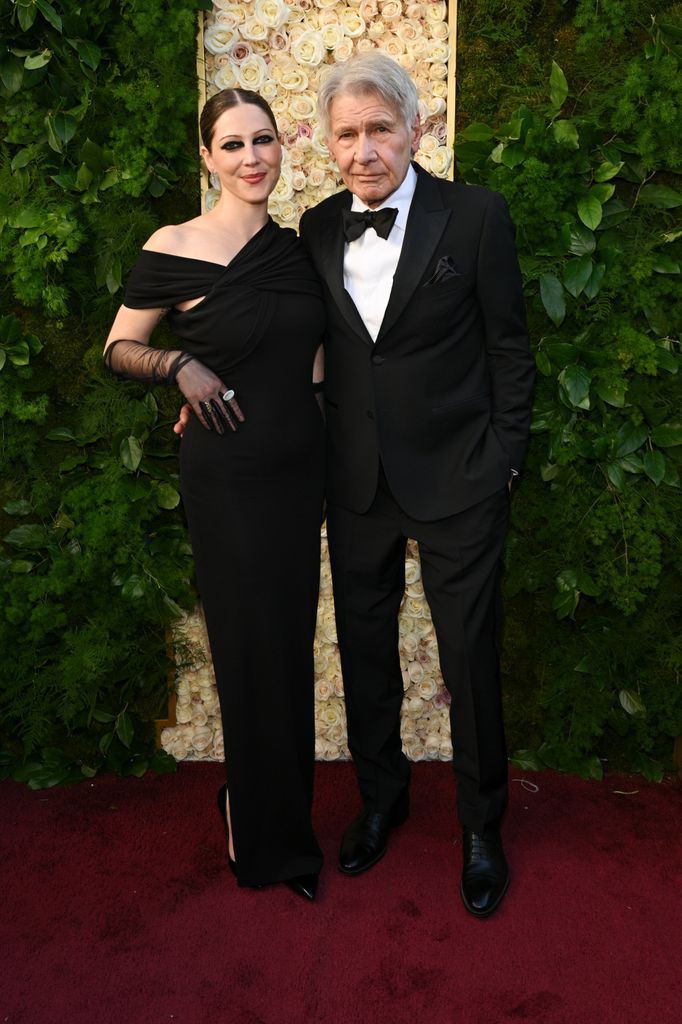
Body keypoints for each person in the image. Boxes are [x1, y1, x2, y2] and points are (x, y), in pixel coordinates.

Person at [298, 52, 536, 917]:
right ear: (328, 144)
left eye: (378, 129)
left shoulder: (475, 216)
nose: (364, 149)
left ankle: (481, 826)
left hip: (461, 480)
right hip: (356, 484)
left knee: (468, 659)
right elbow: (297, 344)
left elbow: (509, 345)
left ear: (414, 131)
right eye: (346, 134)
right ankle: (381, 799)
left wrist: (503, 457)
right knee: (366, 654)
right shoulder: (316, 228)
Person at [104, 89, 326, 901]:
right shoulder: (174, 244)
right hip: (225, 476)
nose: (250, 158)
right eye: (231, 145)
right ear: (207, 158)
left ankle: (282, 821)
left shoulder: (302, 250)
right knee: (247, 650)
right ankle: (259, 834)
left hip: (301, 471)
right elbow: (119, 345)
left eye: (262, 140)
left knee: (290, 648)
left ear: (280, 146)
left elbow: (315, 364)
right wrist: (178, 367)